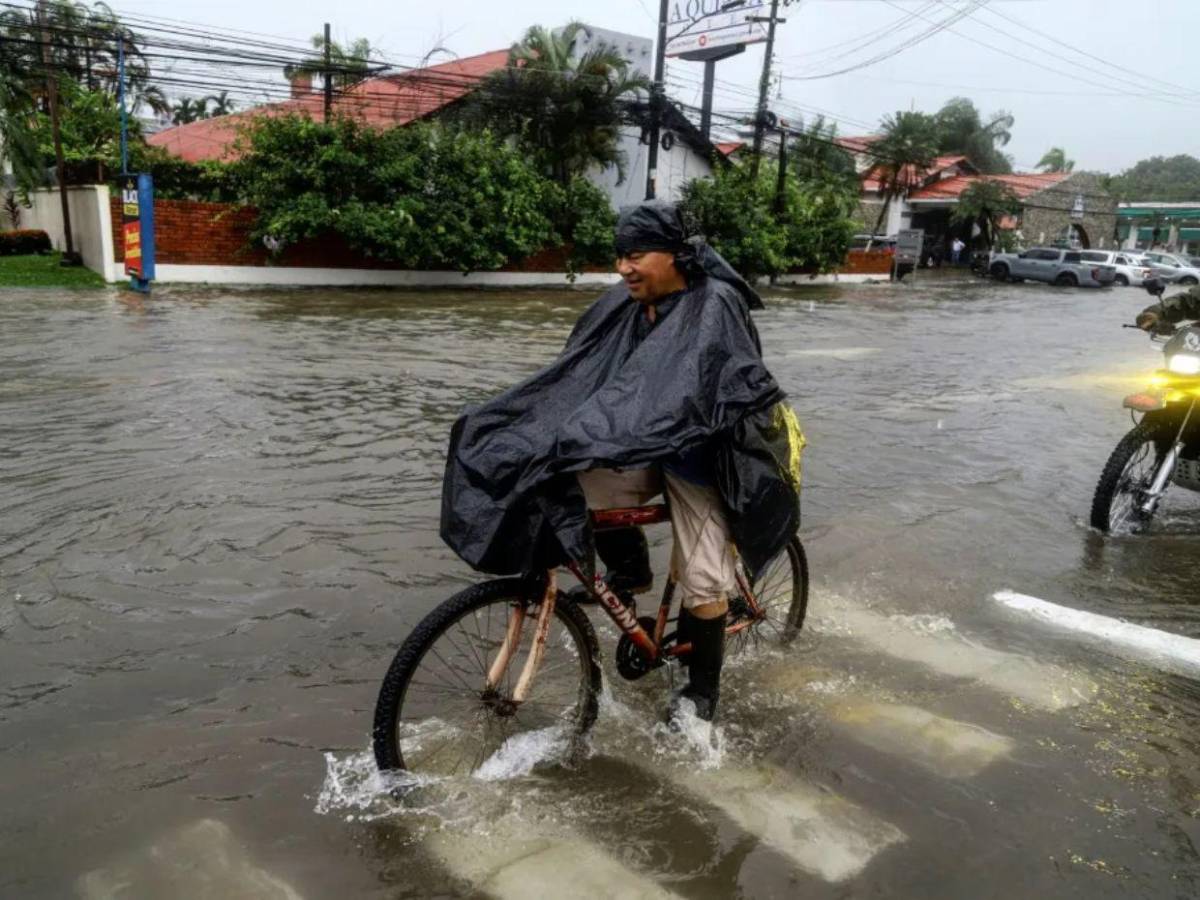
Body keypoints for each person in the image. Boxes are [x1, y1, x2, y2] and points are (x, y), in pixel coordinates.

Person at [440, 203, 801, 725]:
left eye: (636, 255)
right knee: (564, 481)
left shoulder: (715, 305)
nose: (625, 268)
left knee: (702, 579)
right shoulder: (623, 304)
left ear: (675, 254)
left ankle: (702, 696)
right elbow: (577, 376)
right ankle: (629, 571)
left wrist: (616, 429)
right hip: (638, 444)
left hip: (704, 455)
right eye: (620, 256)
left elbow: (700, 393)